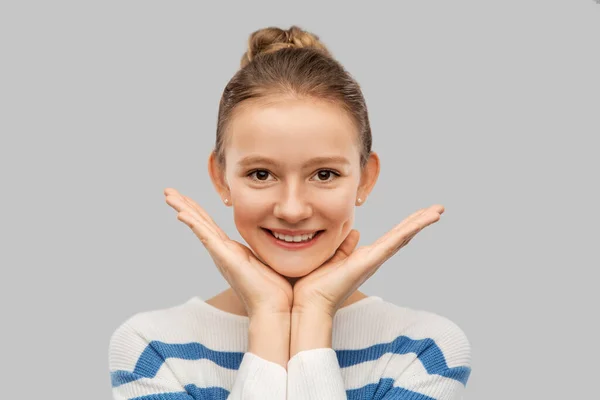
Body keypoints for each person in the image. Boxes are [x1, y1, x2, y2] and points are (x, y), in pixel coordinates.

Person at [108, 25, 472, 400]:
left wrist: (314, 316)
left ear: (365, 179)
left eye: (324, 174)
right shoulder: (152, 349)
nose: (293, 209)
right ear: (220, 178)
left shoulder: (425, 351)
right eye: (261, 174)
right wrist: (269, 318)